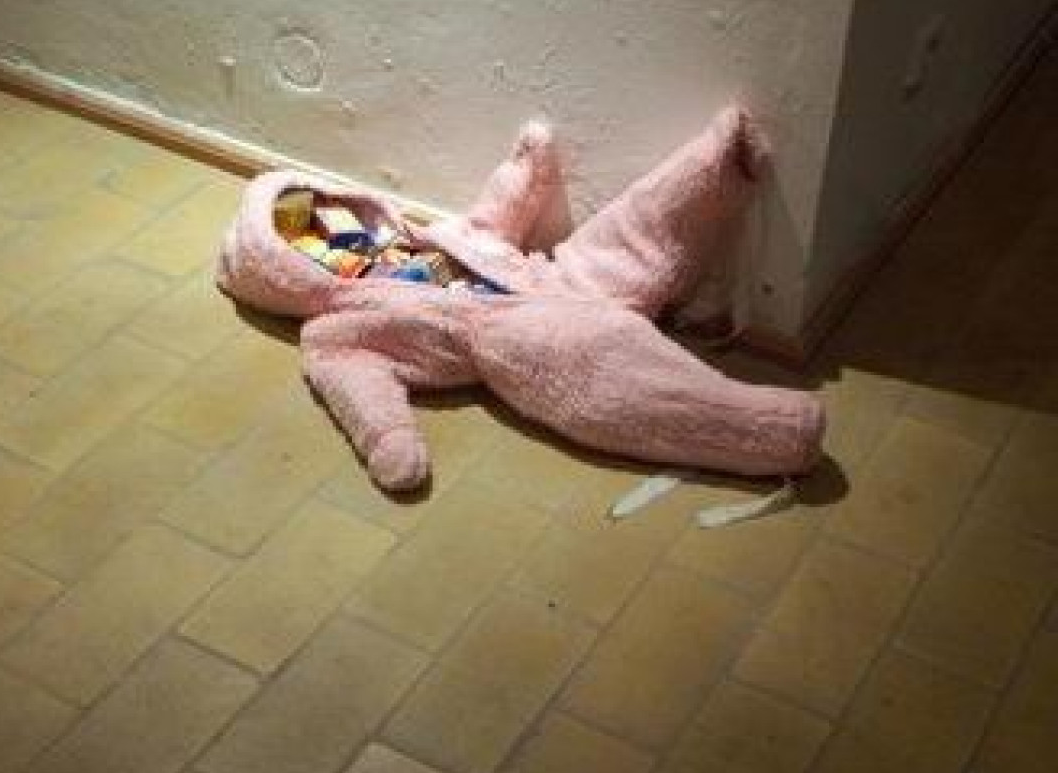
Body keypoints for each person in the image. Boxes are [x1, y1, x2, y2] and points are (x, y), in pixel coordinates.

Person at [217, 106, 825, 491]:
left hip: (553, 278)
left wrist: (525, 170)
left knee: (634, 229)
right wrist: (386, 440)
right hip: (508, 338)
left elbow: (489, 223)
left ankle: (720, 163)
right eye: (309, 240)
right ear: (289, 274)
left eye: (326, 217)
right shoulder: (336, 329)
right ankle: (771, 430)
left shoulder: (426, 237)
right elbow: (356, 387)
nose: (334, 236)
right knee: (612, 370)